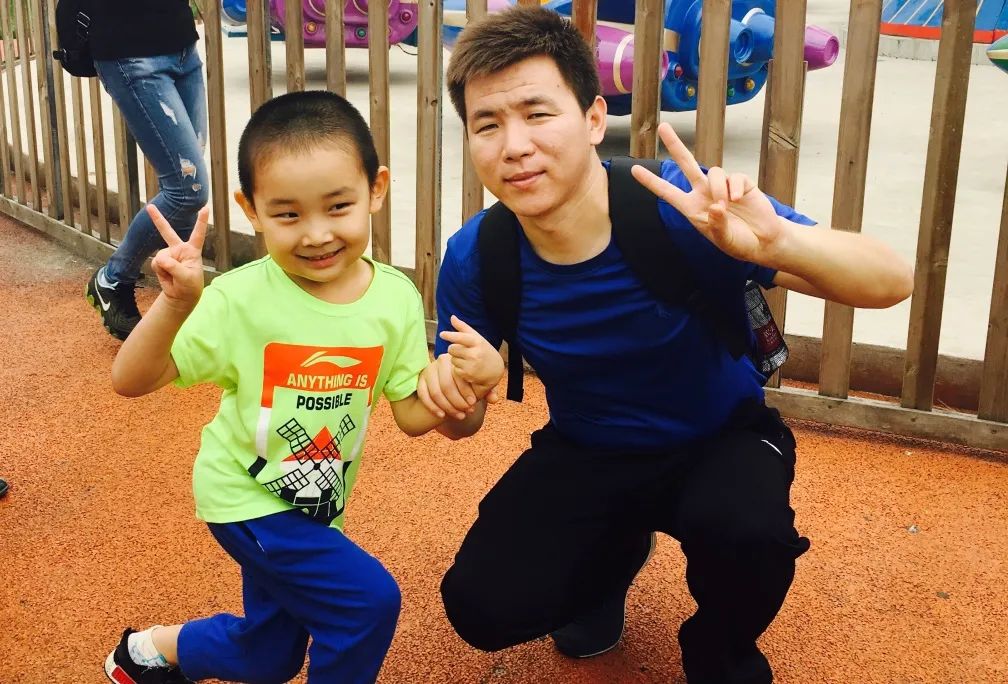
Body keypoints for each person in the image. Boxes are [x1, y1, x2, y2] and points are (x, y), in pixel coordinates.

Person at [417, 7, 914, 684]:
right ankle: (608, 567)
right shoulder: (478, 255)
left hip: (720, 439)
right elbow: (462, 423)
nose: (515, 146)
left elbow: (892, 279)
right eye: (487, 125)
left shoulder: (682, 207)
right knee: (482, 606)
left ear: (595, 119)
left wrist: (777, 243)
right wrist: (460, 395)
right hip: (589, 449)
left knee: (747, 533)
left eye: (538, 114)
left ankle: (721, 650)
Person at [102, 91, 504, 684]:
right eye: (288, 215)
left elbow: (417, 417)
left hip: (316, 507)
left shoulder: (393, 298)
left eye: (338, 206)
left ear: (376, 189)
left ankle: (150, 652)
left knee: (269, 656)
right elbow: (129, 380)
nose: (316, 234)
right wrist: (175, 304)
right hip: (246, 497)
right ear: (252, 209)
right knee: (367, 602)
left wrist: (473, 383)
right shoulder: (239, 298)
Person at [84, 0, 209, 341]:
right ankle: (113, 278)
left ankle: (180, 300)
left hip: (181, 43)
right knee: (189, 189)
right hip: (132, 54)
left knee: (189, 188)